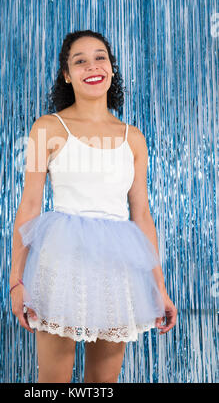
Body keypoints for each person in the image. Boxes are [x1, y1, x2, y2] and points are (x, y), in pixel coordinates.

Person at [10, 30, 177, 383]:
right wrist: (17, 281)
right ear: (67, 75)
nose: (92, 66)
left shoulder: (133, 138)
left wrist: (159, 289)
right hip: (62, 264)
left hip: (117, 270)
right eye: (79, 60)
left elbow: (142, 216)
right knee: (52, 381)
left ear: (112, 69)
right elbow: (29, 206)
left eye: (100, 57)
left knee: (103, 383)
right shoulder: (48, 128)